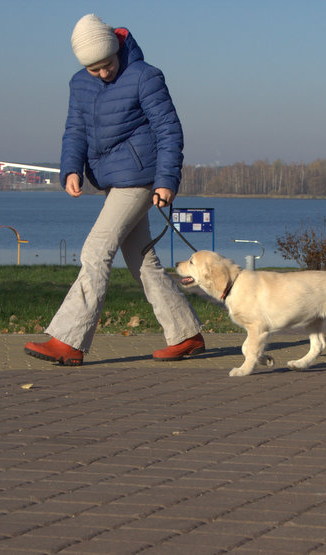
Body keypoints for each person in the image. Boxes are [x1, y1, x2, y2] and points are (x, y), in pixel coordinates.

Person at [24, 14, 204, 366]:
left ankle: (69, 340)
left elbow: (169, 130)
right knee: (142, 263)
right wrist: (71, 169)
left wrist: (167, 181)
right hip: (110, 180)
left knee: (96, 251)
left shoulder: (145, 76)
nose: (103, 73)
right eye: (95, 69)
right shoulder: (79, 83)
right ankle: (186, 334)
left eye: (107, 64)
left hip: (140, 177)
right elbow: (75, 129)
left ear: (117, 50)